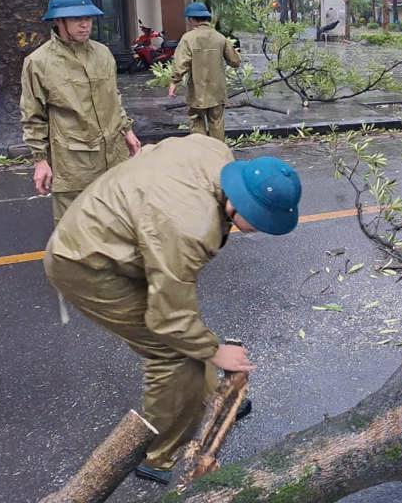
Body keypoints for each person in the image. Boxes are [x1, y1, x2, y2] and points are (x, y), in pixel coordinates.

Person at [43, 134, 303, 484]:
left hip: (123, 237)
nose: (259, 229)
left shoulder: (214, 153)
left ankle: (213, 397)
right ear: (238, 201)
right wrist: (214, 351)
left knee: (187, 336)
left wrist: (208, 348)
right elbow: (168, 320)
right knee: (172, 352)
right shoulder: (190, 227)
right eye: (257, 219)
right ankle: (162, 453)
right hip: (85, 263)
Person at [20, 0, 142, 225]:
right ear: (58, 21)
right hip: (73, 163)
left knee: (117, 225)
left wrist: (127, 130)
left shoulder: (103, 54)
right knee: (74, 234)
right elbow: (33, 116)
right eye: (76, 19)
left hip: (113, 156)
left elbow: (113, 97)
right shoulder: (38, 62)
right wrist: (40, 160)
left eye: (87, 18)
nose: (84, 24)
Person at [168, 2, 241, 141]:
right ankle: (219, 155)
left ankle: (202, 156)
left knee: (197, 122)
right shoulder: (220, 37)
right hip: (217, 92)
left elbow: (180, 63)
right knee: (217, 123)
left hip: (197, 91)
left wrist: (173, 82)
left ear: (191, 19)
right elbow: (235, 62)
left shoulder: (188, 38)